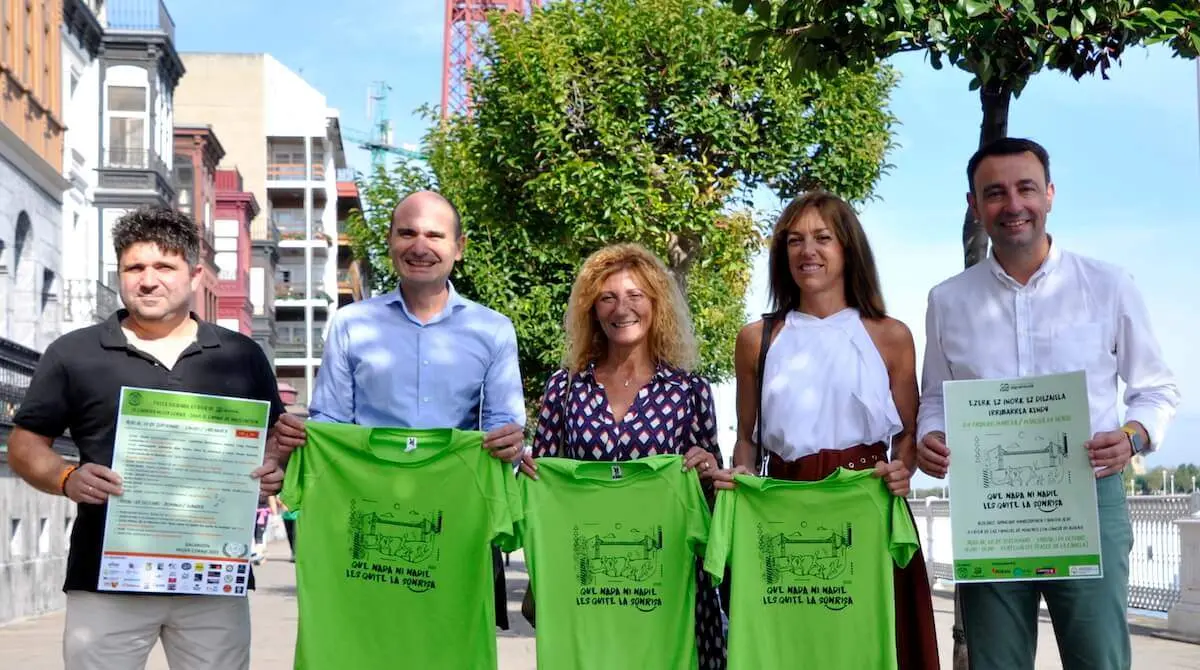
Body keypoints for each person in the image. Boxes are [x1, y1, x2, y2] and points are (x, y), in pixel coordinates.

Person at [915, 137, 1179, 670]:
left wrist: (1132, 438)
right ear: (974, 205)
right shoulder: (948, 300)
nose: (1013, 205)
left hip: (1089, 496)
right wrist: (930, 440)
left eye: (1026, 188)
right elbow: (935, 399)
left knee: (1098, 659)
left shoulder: (1108, 285)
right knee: (996, 663)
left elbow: (1157, 390)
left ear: (1051, 194)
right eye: (994, 193)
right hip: (990, 512)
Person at [6, 206, 286, 670]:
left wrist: (272, 468)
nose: (148, 280)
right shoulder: (74, 353)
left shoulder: (240, 356)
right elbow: (24, 443)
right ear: (119, 274)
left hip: (212, 576)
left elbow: (271, 440)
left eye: (164, 267)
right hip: (107, 577)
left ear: (195, 274)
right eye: (134, 267)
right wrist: (66, 476)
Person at [271, 190, 530, 628]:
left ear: (458, 248)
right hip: (367, 520)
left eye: (435, 235)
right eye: (407, 233)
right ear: (390, 242)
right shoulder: (352, 324)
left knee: (450, 645)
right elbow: (331, 423)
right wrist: (303, 440)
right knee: (370, 642)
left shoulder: (493, 330)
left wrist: (509, 439)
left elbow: (502, 423)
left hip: (458, 522)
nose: (420, 246)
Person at [712, 191, 940, 669]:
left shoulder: (890, 335)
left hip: (866, 503)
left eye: (822, 238)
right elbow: (748, 437)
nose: (806, 251)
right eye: (794, 241)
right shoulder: (757, 338)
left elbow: (908, 432)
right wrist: (741, 476)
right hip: (781, 502)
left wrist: (902, 471)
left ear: (848, 248)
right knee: (791, 646)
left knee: (877, 642)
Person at [528, 243, 726, 668]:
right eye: (608, 297)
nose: (622, 308)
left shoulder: (689, 391)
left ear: (656, 304)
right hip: (588, 589)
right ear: (592, 309)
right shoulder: (564, 389)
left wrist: (709, 472)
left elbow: (713, 501)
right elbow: (538, 487)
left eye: (635, 295)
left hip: (669, 585)